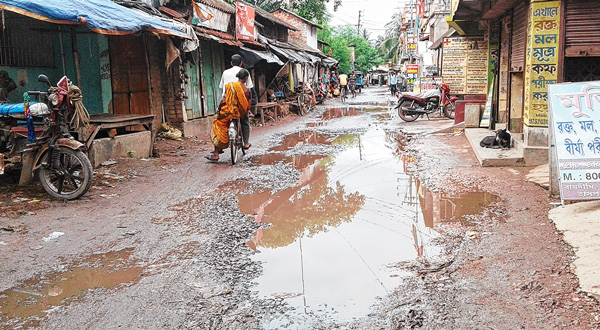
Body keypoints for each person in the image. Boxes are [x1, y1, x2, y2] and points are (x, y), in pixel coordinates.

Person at [207, 69, 252, 161]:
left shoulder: (230, 86)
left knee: (218, 124)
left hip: (229, 112)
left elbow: (224, 100)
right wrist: (244, 112)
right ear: (246, 78)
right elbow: (248, 106)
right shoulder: (248, 91)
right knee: (245, 122)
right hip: (240, 114)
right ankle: (246, 143)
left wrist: (219, 109)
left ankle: (216, 153)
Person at [219, 54, 256, 150]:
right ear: (241, 63)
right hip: (241, 104)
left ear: (231, 63)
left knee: (221, 122)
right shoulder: (244, 72)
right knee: (245, 121)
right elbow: (249, 89)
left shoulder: (225, 72)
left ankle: (218, 147)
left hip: (227, 102)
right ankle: (246, 143)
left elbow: (222, 88)